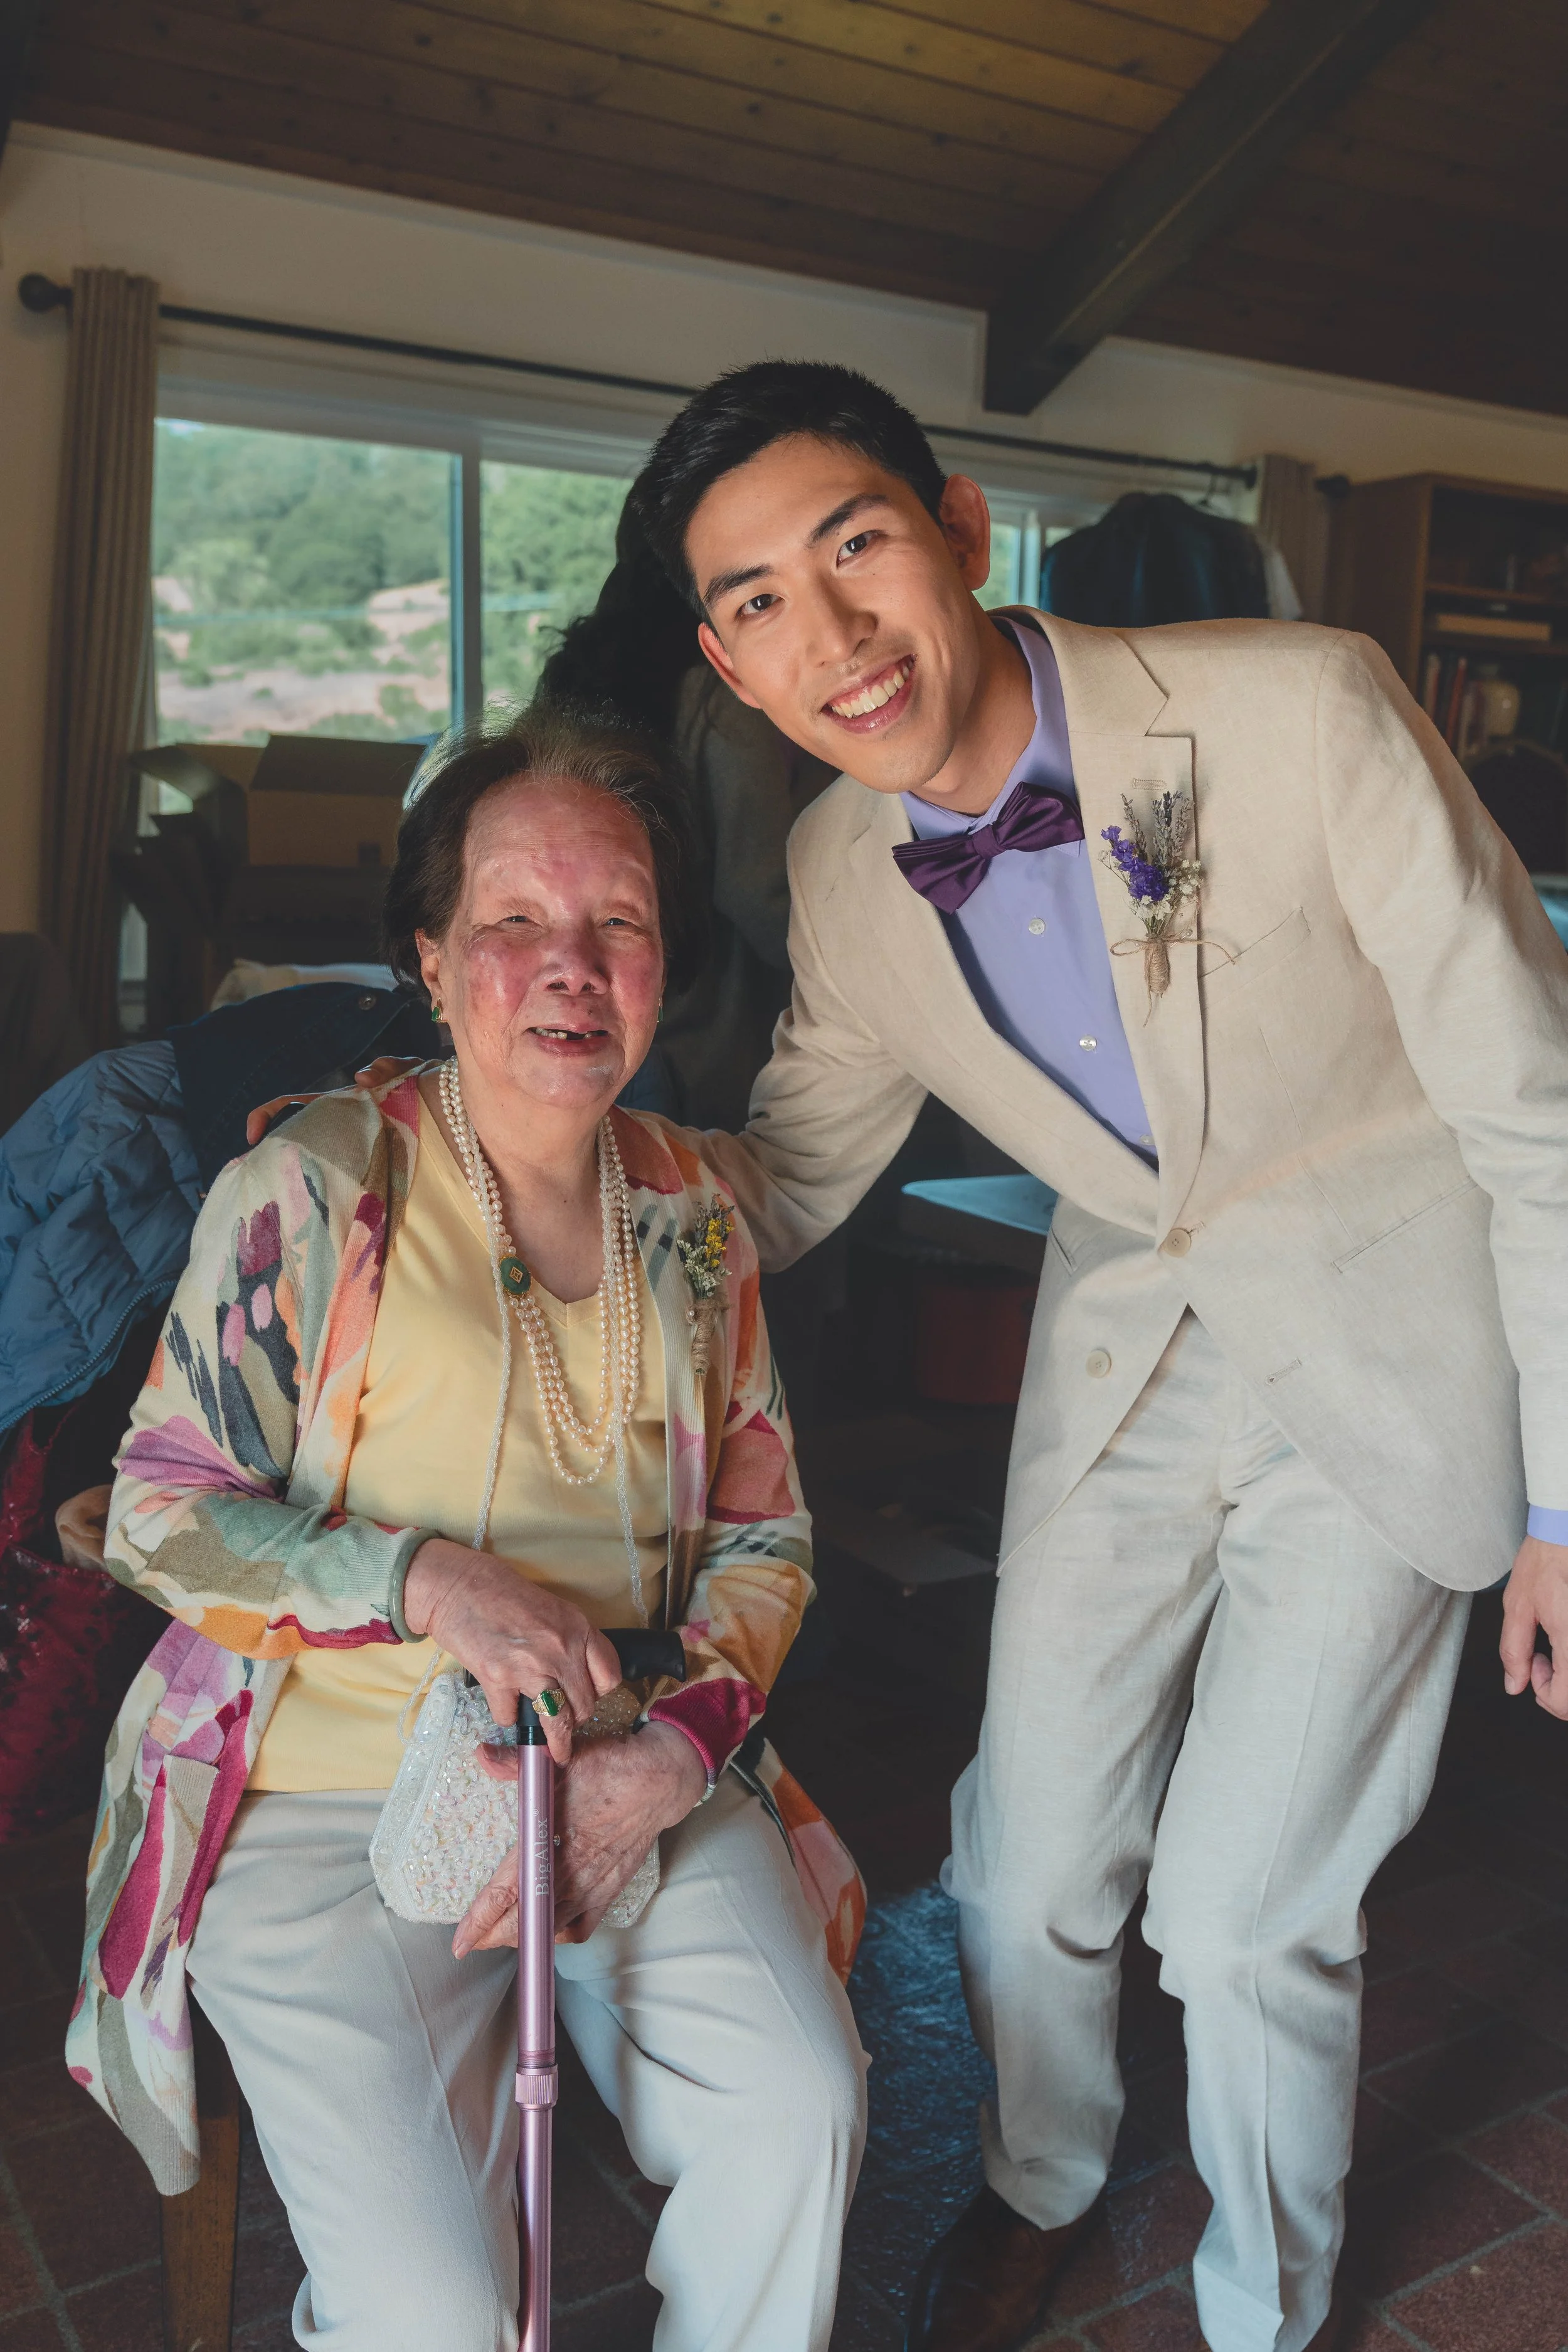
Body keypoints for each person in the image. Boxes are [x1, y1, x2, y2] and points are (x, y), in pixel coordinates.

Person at [628, 361, 1568, 2352]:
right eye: (756, 603)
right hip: (1128, 1355)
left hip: (1392, 1352)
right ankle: (1037, 2176)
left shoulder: (1296, 705)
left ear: (959, 531)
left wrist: (1567, 1495)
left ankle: (1261, 2301)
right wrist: (519, 1160)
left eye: (853, 545)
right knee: (1024, 1851)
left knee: (1238, 1913)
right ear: (725, 662)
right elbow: (788, 1169)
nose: (831, 635)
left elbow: (1535, 1106)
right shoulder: (832, 871)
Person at [68, 707, 867, 2352]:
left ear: (662, 964)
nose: (570, 963)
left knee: (797, 2110)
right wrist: (428, 1576)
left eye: (619, 923)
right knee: (432, 2309)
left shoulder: (695, 1217)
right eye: (513, 921)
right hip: (322, 1788)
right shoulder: (317, 1184)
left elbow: (765, 1540)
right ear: (431, 961)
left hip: (624, 1749)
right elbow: (157, 1506)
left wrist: (669, 1756)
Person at [536, 491, 835, 1132]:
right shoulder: (713, 692)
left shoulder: (568, 679)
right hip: (700, 1039)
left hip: (578, 1014)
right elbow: (758, 890)